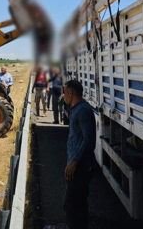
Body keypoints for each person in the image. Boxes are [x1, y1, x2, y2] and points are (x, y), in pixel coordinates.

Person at [63, 80, 96, 229]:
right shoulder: (76, 109)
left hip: (80, 166)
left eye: (65, 93)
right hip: (76, 165)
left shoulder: (82, 110)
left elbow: (89, 140)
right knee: (74, 205)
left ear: (70, 93)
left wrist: (75, 161)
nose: (63, 96)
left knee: (74, 206)